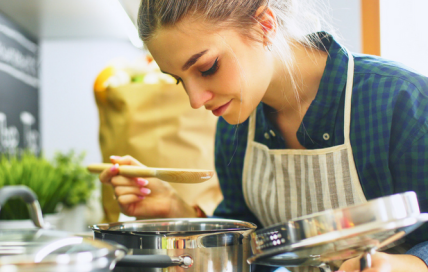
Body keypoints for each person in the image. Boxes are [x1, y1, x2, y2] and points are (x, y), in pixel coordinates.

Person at [98, 0, 428, 271]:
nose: (196, 100)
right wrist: (174, 210)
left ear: (264, 24)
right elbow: (249, 251)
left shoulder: (400, 101)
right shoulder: (236, 128)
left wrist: (410, 264)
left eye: (208, 67)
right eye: (178, 79)